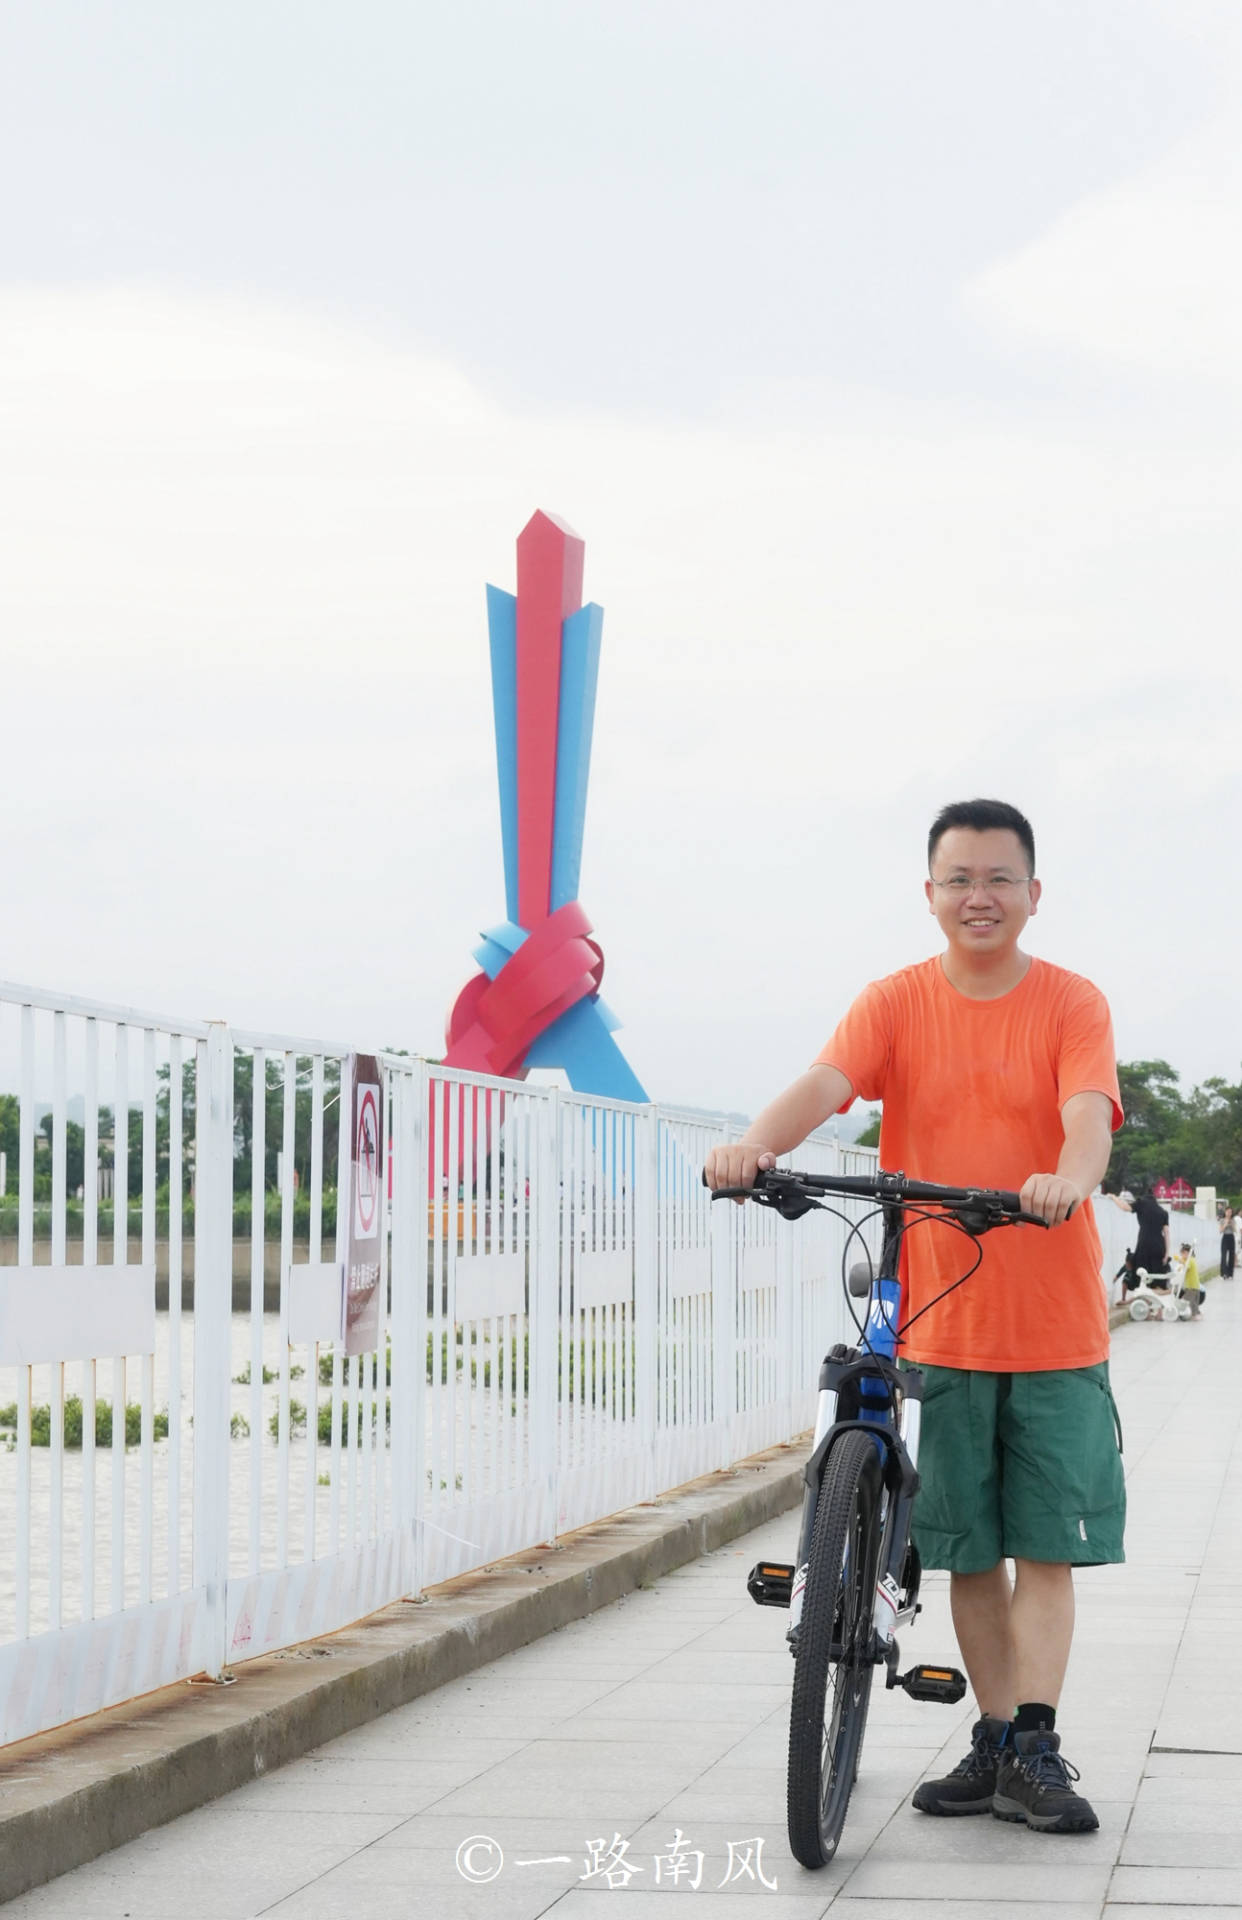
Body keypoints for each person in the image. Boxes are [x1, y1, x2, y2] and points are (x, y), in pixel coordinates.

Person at [704, 798, 1124, 1837]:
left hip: (1054, 1326)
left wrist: (1065, 1181)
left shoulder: (1072, 1004)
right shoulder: (896, 1001)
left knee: (1046, 1551)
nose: (978, 897)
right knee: (967, 1550)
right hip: (940, 1326)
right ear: (929, 893)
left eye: (998, 879)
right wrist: (751, 1145)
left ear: (1033, 894)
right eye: (958, 879)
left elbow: (1087, 1117)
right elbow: (829, 1082)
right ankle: (993, 1745)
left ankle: (1036, 1741)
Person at [1113, 1183, 1170, 1281]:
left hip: (1144, 1244)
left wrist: (1113, 1197)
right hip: (1159, 1247)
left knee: (1141, 1276)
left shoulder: (1141, 1203)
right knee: (1156, 1278)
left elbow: (1124, 1207)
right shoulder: (1163, 1212)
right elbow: (1167, 1234)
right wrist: (1167, 1253)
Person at [1177, 1242, 1202, 1319]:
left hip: (1191, 1286)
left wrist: (1180, 1261)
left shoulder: (1190, 1260)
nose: (1181, 1256)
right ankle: (1197, 1314)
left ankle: (1194, 1315)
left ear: (1187, 1253)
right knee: (1194, 1302)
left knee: (1185, 1300)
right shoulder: (1192, 1259)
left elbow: (1186, 1267)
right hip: (1195, 1286)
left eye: (1182, 1254)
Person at [1221, 1206, 1236, 1282]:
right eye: (1228, 1212)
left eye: (1230, 1212)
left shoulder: (1233, 1220)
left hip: (1231, 1237)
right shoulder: (1222, 1220)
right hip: (1225, 1237)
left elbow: (1235, 1230)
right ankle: (1224, 1273)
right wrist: (1226, 1224)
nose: (1229, 1213)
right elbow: (1220, 1230)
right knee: (1223, 1256)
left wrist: (1231, 1224)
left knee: (1231, 1256)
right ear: (1225, 1212)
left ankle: (1230, 1274)